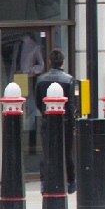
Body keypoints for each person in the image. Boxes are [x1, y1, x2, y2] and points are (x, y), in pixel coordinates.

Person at [34, 49, 77, 192]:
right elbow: (70, 105)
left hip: (47, 120)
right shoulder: (68, 79)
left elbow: (38, 102)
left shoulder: (41, 80)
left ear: (50, 62)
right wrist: (72, 122)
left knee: (46, 151)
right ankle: (70, 181)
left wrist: (46, 114)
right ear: (62, 62)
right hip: (65, 121)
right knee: (67, 151)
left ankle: (44, 181)